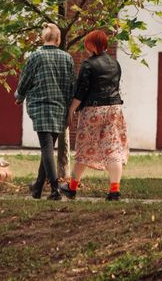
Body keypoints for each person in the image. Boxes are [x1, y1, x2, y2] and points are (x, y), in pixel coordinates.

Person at [60, 30, 129, 201]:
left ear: (91, 45)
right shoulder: (115, 63)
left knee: (85, 147)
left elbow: (81, 91)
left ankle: (72, 188)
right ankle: (114, 191)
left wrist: (72, 109)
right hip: (114, 109)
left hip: (93, 111)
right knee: (113, 148)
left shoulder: (88, 65)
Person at [15, 23, 75, 200]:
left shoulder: (35, 56)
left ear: (43, 38)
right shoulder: (67, 58)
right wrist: (70, 109)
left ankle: (55, 190)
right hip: (60, 109)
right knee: (47, 148)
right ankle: (37, 187)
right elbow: (72, 86)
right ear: (58, 39)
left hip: (41, 107)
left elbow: (25, 80)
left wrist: (19, 96)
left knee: (46, 148)